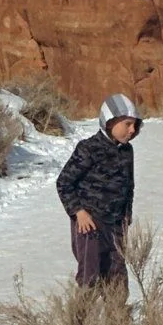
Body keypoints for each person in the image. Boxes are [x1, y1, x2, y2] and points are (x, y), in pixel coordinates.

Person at [57, 93, 141, 288]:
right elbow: (64, 182)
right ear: (110, 122)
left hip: (116, 226)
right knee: (89, 277)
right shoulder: (88, 148)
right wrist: (79, 212)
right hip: (90, 226)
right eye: (127, 124)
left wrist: (126, 217)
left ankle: (117, 317)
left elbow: (129, 186)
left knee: (117, 277)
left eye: (135, 125)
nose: (132, 130)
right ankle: (82, 317)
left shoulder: (127, 151)